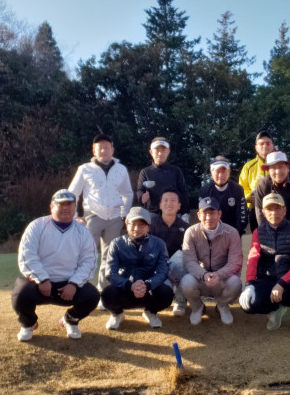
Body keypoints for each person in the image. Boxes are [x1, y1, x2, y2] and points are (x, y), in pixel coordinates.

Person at [11, 189, 100, 342]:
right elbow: (27, 255)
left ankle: (70, 320)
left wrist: (74, 284)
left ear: (75, 207)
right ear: (51, 207)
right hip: (40, 284)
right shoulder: (37, 226)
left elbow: (89, 261)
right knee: (21, 293)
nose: (65, 208)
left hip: (68, 285)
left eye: (69, 204)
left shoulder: (83, 232)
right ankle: (29, 323)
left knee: (92, 296)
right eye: (61, 204)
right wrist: (42, 279)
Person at [68, 134, 133, 302]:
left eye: (106, 147)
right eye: (99, 148)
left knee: (109, 257)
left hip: (115, 219)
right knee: (87, 256)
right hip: (92, 217)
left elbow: (127, 193)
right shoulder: (85, 169)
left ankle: (104, 294)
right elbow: (73, 193)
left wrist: (124, 215)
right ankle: (81, 293)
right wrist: (75, 217)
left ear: (112, 149)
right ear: (94, 150)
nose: (103, 150)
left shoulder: (121, 169)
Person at [239, 193, 290, 337]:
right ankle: (275, 309)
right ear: (263, 212)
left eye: (278, 208)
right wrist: (249, 284)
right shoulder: (258, 232)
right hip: (267, 278)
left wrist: (281, 283)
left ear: (284, 210)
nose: (274, 213)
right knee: (249, 304)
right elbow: (253, 258)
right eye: (269, 209)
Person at [101, 206, 174, 330]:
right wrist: (129, 285)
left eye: (141, 224)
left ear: (148, 227)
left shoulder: (159, 244)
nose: (136, 228)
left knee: (166, 293)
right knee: (107, 294)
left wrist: (148, 284)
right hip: (125, 288)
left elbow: (163, 271)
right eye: (133, 224)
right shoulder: (117, 243)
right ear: (126, 225)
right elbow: (110, 273)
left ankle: (151, 312)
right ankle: (117, 314)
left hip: (148, 290)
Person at [180, 197, 243, 325]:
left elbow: (235, 262)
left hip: (222, 279)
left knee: (236, 283)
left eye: (212, 213)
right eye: (205, 213)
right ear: (199, 215)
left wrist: (219, 274)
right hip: (201, 277)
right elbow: (189, 261)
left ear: (219, 214)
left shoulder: (232, 232)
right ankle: (197, 307)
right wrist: (203, 274)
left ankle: (222, 306)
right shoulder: (191, 232)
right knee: (186, 282)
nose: (209, 217)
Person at [150, 188, 190, 316]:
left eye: (173, 200)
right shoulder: (150, 225)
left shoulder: (186, 227)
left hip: (176, 266)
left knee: (185, 262)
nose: (169, 203)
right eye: (166, 200)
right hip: (156, 266)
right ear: (160, 205)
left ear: (179, 206)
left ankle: (180, 301)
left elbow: (189, 253)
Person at [136, 137, 189, 219]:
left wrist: (185, 213)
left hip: (174, 214)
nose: (160, 153)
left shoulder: (176, 171)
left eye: (163, 150)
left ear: (168, 152)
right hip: (153, 214)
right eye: (157, 150)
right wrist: (141, 197)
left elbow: (183, 192)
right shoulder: (145, 172)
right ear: (151, 152)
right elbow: (140, 190)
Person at [254, 151, 290, 228]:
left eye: (281, 167)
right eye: (273, 168)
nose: (278, 171)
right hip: (271, 227)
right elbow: (260, 213)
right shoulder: (262, 185)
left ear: (287, 167)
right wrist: (265, 231)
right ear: (268, 170)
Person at [198, 156, 248, 235]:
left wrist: (236, 233)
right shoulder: (205, 190)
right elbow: (202, 215)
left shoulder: (237, 189)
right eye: (217, 172)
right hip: (211, 233)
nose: (221, 175)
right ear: (211, 173)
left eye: (224, 171)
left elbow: (242, 216)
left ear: (229, 172)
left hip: (233, 232)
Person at [239, 131, 275, 233]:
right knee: (258, 238)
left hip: (277, 208)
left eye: (268, 143)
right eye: (261, 143)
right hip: (255, 209)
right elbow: (242, 187)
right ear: (256, 147)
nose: (265, 146)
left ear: (272, 145)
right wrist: (248, 197)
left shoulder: (279, 165)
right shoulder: (248, 167)